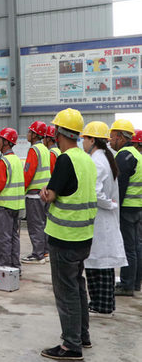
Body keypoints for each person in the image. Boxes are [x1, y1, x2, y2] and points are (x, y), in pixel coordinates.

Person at [39, 108, 97, 361]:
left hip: (64, 236)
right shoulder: (87, 158)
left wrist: (44, 192)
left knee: (66, 291)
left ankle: (71, 345)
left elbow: (51, 195)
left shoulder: (65, 160)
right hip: (84, 235)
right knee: (77, 286)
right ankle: (82, 335)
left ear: (58, 132)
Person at [81, 121, 127, 317]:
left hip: (101, 218)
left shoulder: (97, 161)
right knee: (102, 264)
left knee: (98, 265)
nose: (83, 142)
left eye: (85, 138)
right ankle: (104, 305)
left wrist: (109, 204)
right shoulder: (104, 158)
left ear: (92, 140)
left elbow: (96, 192)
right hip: (104, 219)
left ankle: (101, 306)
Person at [109, 118, 142, 297]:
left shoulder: (123, 156)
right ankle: (135, 282)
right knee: (136, 246)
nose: (110, 140)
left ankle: (127, 285)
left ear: (121, 137)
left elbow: (119, 188)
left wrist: (114, 209)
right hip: (137, 207)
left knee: (128, 248)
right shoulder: (137, 155)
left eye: (112, 136)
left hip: (127, 208)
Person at [0, 127, 25, 270]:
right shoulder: (16, 160)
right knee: (14, 237)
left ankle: (4, 269)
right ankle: (15, 268)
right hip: (16, 206)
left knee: (2, 238)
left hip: (3, 206)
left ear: (6, 142)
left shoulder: (3, 162)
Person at [22, 121, 52, 265]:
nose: (27, 134)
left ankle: (37, 254)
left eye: (29, 132)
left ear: (34, 135)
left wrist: (22, 189)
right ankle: (45, 252)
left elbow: (28, 172)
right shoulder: (45, 149)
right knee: (44, 224)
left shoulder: (34, 150)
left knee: (35, 225)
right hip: (45, 193)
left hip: (34, 195)